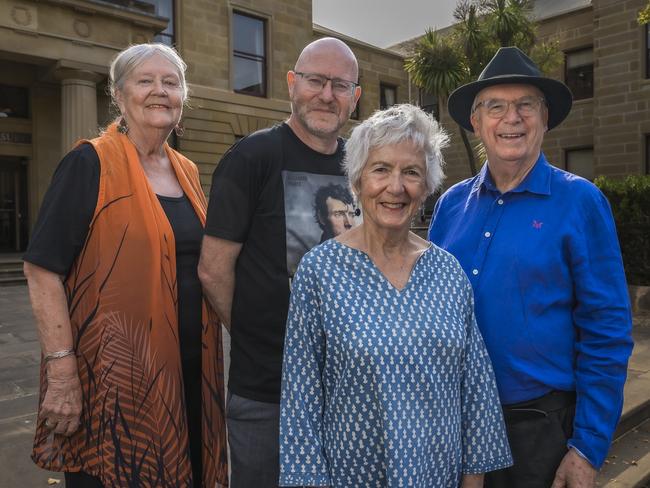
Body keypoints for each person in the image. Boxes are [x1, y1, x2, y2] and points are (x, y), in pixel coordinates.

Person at [23, 43, 228, 488]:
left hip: (189, 372)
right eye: (145, 81)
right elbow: (42, 270)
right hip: (115, 381)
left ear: (183, 96)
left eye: (171, 82)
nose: (160, 91)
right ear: (118, 95)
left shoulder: (187, 170)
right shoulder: (89, 163)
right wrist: (61, 372)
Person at [429, 47, 634, 488]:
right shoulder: (449, 206)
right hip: (454, 426)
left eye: (526, 105)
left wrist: (587, 447)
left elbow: (608, 330)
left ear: (545, 118)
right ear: (476, 122)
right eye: (496, 107)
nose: (512, 118)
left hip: (540, 432)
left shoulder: (581, 202)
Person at [279, 104, 512, 487]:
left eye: (411, 172)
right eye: (381, 169)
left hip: (439, 477)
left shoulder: (448, 273)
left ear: (427, 185)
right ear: (357, 180)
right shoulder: (320, 271)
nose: (396, 187)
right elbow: (300, 402)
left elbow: (476, 394)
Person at [198, 37, 361, 488]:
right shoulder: (251, 157)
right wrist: (258, 335)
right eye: (315, 81)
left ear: (355, 96)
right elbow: (213, 270)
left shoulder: (362, 165)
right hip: (268, 393)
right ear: (292, 83)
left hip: (349, 390)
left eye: (340, 85)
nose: (326, 95)